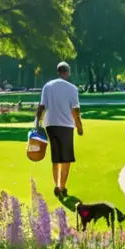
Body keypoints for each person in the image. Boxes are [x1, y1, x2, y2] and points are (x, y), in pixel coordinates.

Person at [36, 62, 83, 198]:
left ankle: (56, 185)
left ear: (58, 72)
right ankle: (62, 186)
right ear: (67, 72)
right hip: (66, 125)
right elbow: (75, 110)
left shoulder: (48, 86)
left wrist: (37, 122)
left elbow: (41, 106)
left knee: (56, 156)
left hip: (51, 124)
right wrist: (79, 126)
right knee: (66, 157)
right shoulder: (72, 88)